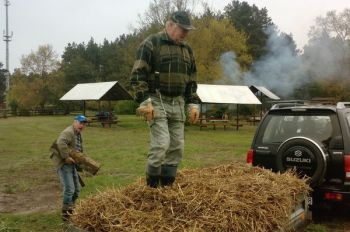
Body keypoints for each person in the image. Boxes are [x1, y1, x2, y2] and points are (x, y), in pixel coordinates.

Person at [130, 11, 199, 188]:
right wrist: (144, 100)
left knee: (177, 147)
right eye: (182, 29)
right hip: (156, 100)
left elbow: (192, 79)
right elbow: (137, 75)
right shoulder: (151, 43)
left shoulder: (187, 50)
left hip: (178, 102)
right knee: (161, 144)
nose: (185, 33)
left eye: (187, 30)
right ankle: (152, 187)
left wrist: (193, 103)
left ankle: (167, 185)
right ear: (169, 25)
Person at [49, 114, 88, 221]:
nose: (82, 125)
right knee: (70, 189)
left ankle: (71, 208)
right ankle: (65, 214)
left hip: (72, 164)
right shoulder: (68, 132)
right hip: (64, 164)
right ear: (74, 122)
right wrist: (66, 157)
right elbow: (60, 142)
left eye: (84, 124)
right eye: (80, 123)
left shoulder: (77, 133)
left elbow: (76, 148)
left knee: (77, 190)